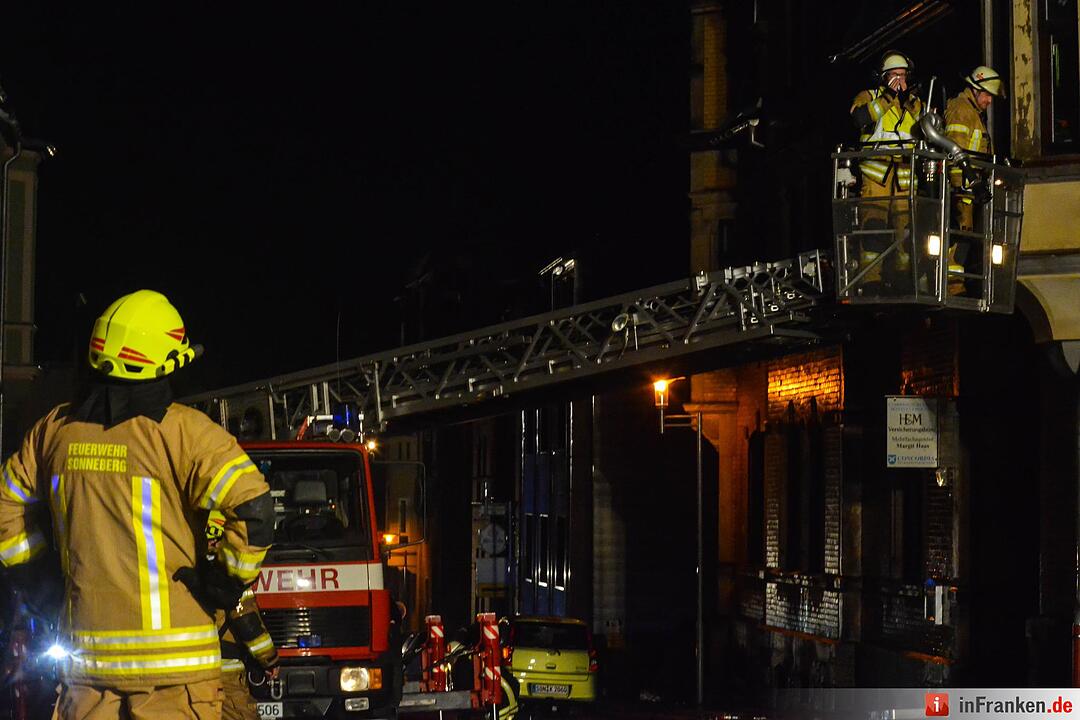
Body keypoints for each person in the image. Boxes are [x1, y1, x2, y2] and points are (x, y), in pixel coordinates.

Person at [0, 289, 274, 719]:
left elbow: (6, 506)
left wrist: (40, 580)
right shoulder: (187, 432)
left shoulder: (53, 431)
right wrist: (224, 580)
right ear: (166, 362)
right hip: (176, 680)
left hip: (85, 674)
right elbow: (255, 509)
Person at [850, 50, 924, 290]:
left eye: (902, 76)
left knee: (906, 234)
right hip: (876, 176)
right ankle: (872, 280)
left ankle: (903, 278)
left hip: (905, 178)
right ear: (883, 77)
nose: (899, 81)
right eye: (894, 75)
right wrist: (887, 98)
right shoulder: (868, 96)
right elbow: (859, 119)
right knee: (874, 229)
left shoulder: (914, 103)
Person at [204, 513, 279, 720]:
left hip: (190, 671)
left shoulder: (184, 568)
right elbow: (246, 621)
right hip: (224, 673)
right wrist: (270, 660)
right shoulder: (227, 572)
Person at [943, 65, 1005, 295]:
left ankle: (956, 283)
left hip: (971, 188)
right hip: (963, 188)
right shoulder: (961, 110)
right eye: (987, 94)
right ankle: (953, 286)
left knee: (967, 235)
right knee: (961, 234)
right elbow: (955, 150)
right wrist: (966, 184)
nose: (989, 100)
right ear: (975, 89)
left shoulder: (972, 113)